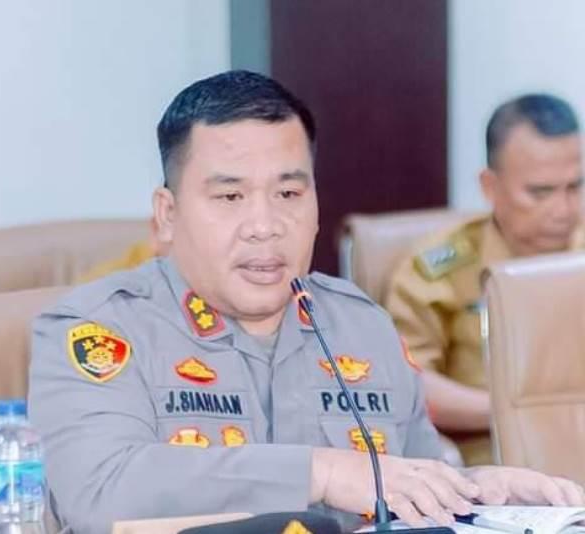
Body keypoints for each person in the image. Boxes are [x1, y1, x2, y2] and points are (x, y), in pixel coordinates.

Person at [28, 73, 584, 534]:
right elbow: (97, 493)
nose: (265, 225)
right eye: (230, 196)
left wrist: (479, 492)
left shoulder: (358, 325)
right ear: (168, 215)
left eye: (289, 194)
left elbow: (411, 482)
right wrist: (321, 472)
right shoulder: (100, 329)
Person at [385, 94, 585, 466]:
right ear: (490, 186)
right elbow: (405, 381)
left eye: (575, 187)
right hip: (492, 460)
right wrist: (516, 413)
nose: (563, 209)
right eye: (540, 192)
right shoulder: (440, 270)